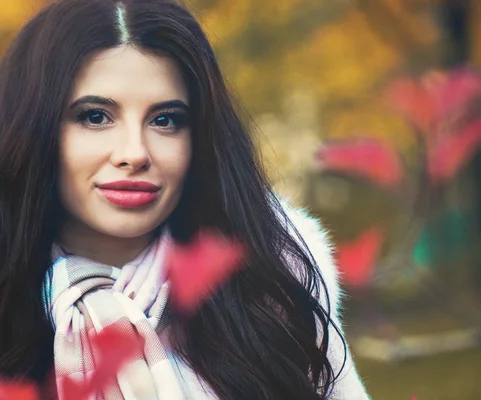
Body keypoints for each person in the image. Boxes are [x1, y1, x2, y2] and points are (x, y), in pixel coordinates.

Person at [0, 0, 371, 399]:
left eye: (165, 120)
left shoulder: (270, 285)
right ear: (34, 130)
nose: (135, 152)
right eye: (95, 116)